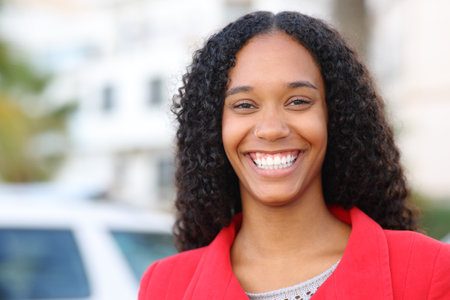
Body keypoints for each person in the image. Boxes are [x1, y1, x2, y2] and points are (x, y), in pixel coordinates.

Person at [139, 11, 450, 300]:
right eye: (245, 105)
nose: (272, 129)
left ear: (334, 117)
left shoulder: (429, 271)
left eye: (298, 101)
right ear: (213, 126)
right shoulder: (165, 286)